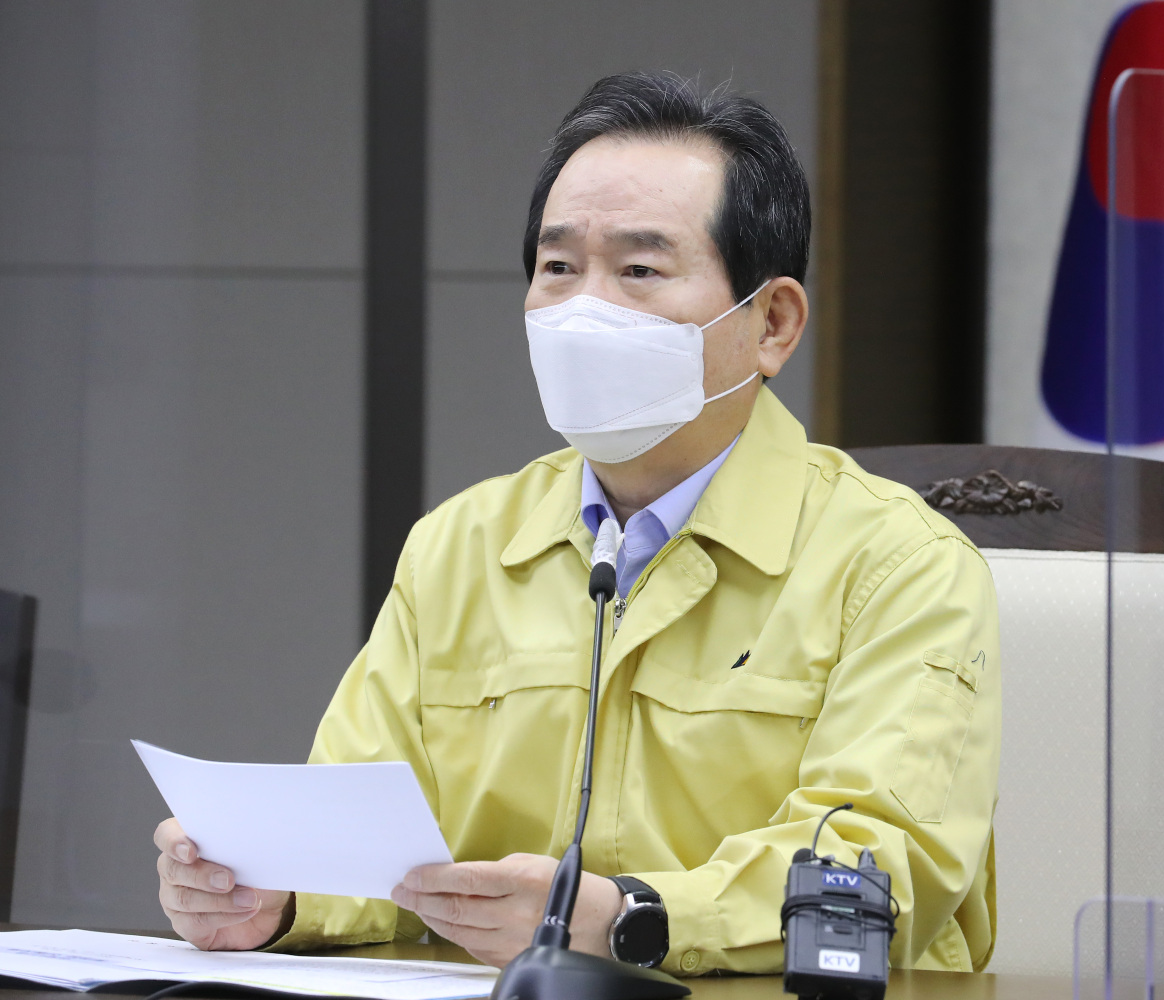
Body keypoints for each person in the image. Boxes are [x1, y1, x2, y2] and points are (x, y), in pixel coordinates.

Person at [153, 71, 1001, 978]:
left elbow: (878, 874)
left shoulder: (898, 565)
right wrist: (274, 895)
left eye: (639, 269)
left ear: (772, 323)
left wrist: (635, 919)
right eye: (558, 268)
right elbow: (367, 839)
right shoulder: (461, 544)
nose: (585, 310)